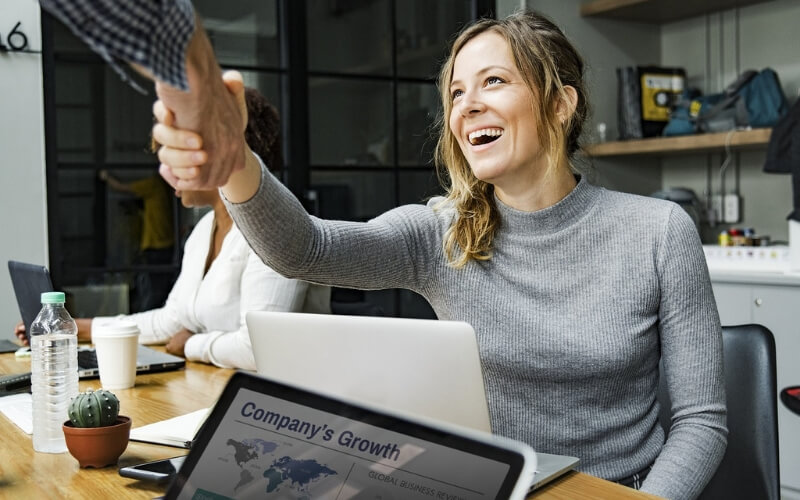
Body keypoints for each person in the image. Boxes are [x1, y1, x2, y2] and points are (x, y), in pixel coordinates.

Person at [37, 4, 726, 499]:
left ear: (561, 104)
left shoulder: (658, 231)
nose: (467, 107)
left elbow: (700, 422)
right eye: (456, 92)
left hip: (613, 491)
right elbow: (305, 247)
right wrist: (233, 158)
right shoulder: (441, 231)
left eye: (493, 82)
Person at [16, 88, 330, 370]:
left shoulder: (276, 227)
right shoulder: (204, 229)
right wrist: (73, 328)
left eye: (177, 152)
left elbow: (257, 350)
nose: (166, 168)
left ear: (222, 152)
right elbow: (171, 322)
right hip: (217, 386)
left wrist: (191, 345)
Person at [98, 169, 176, 311]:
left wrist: (106, 177)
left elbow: (122, 187)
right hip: (163, 245)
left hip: (156, 247)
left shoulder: (154, 185)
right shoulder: (164, 191)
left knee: (152, 293)